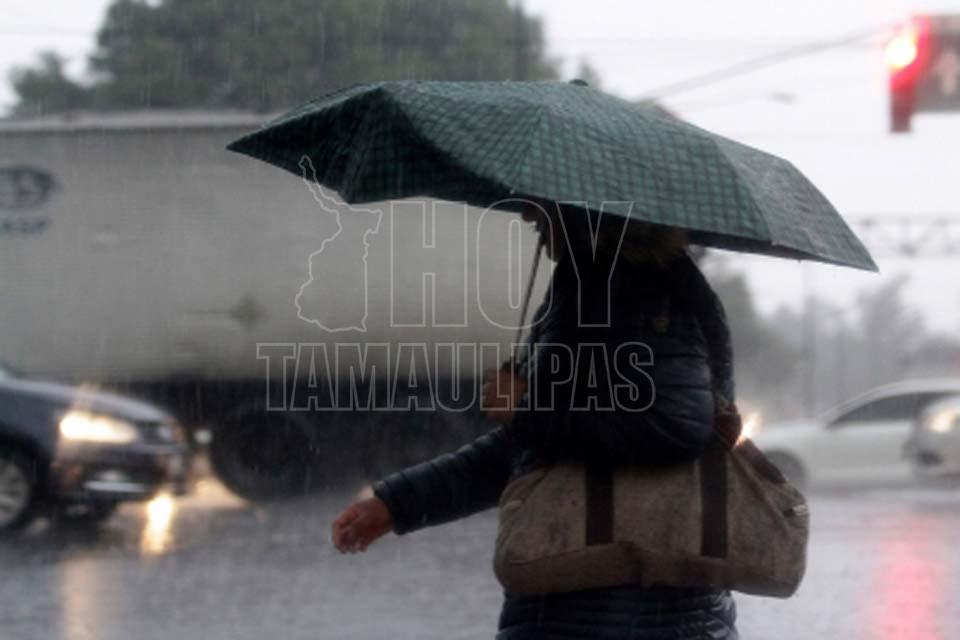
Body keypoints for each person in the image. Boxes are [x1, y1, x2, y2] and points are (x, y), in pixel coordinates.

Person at [331, 202, 739, 639]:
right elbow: (535, 450)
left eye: (541, 207)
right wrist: (398, 504)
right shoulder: (600, 280)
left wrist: (527, 407)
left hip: (608, 613)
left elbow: (674, 426)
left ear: (582, 205)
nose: (529, 216)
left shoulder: (628, 284)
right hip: (615, 608)